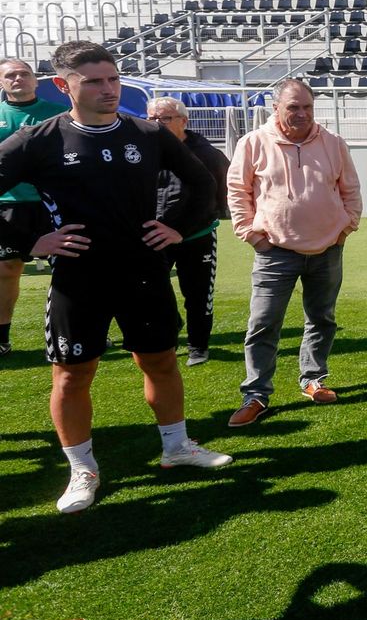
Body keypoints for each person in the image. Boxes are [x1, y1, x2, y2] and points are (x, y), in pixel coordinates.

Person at [0, 41, 232, 513]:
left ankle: (177, 447)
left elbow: (203, 181)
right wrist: (28, 242)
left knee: (161, 361)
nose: (109, 89)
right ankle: (82, 469)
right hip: (78, 277)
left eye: (113, 79)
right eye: (95, 81)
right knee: (71, 375)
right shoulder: (39, 139)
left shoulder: (147, 133)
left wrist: (177, 227)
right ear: (64, 86)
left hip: (144, 271)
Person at [226, 79, 361, 427]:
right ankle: (256, 394)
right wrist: (252, 236)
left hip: (327, 249)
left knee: (322, 318)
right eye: (293, 108)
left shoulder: (333, 143)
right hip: (274, 252)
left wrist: (344, 229)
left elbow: (351, 189)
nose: (301, 114)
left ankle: (313, 379)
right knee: (263, 323)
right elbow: (237, 192)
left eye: (307, 107)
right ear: (276, 108)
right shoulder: (253, 142)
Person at [146, 97, 230, 367]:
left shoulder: (206, 154)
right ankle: (167, 335)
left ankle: (198, 345)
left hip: (197, 236)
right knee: (153, 292)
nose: (158, 123)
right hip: (154, 236)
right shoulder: (140, 152)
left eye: (165, 118)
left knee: (197, 294)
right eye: (152, 118)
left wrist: (181, 230)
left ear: (184, 121)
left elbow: (215, 197)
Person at [0, 58, 67, 356]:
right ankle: (2, 336)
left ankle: (75, 330)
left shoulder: (58, 114)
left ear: (35, 80)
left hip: (53, 201)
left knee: (68, 268)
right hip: (9, 203)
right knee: (7, 269)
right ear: (2, 82)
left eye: (24, 74)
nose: (18, 79)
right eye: (10, 75)